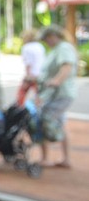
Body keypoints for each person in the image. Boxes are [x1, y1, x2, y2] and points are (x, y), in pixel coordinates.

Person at [37, 25, 78, 168]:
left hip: (60, 93)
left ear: (52, 36)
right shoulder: (56, 49)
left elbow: (67, 66)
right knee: (60, 123)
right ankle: (66, 159)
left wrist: (56, 81)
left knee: (43, 118)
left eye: (46, 39)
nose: (46, 42)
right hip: (54, 93)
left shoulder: (63, 48)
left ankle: (45, 157)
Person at [17, 28, 45, 106]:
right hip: (41, 73)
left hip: (32, 74)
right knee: (39, 94)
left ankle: (20, 108)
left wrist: (27, 76)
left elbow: (28, 64)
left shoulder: (26, 47)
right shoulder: (40, 46)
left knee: (22, 93)